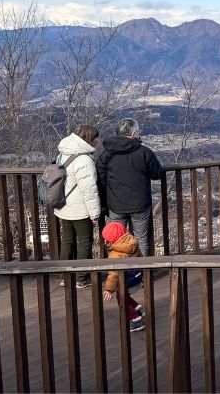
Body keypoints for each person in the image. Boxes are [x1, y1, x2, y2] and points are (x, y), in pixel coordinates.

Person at [97, 118, 163, 256]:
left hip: (116, 204)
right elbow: (157, 173)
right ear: (133, 134)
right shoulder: (144, 152)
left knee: (116, 239)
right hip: (140, 204)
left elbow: (100, 178)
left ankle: (119, 268)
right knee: (141, 239)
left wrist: (106, 200)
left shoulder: (107, 154)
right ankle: (141, 268)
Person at [55, 124, 102, 288]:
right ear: (90, 138)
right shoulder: (84, 160)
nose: (97, 141)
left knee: (67, 241)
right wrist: (95, 213)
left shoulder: (64, 153)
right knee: (84, 241)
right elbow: (89, 190)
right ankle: (81, 278)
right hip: (79, 208)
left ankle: (65, 276)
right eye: (96, 138)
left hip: (63, 205)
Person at [102, 221, 147, 332]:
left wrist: (109, 290)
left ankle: (135, 320)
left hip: (127, 281)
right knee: (125, 295)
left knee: (121, 298)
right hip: (137, 276)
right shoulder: (132, 241)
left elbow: (113, 274)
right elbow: (141, 258)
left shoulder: (115, 254)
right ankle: (137, 309)